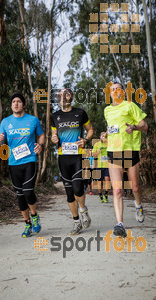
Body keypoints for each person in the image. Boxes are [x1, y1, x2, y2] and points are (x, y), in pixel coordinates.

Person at [102, 82, 148, 238]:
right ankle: (119, 224)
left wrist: (134, 127)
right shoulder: (107, 110)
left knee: (135, 187)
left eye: (117, 88)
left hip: (129, 150)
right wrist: (104, 135)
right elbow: (111, 128)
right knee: (117, 190)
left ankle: (139, 205)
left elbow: (145, 125)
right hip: (113, 151)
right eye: (112, 89)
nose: (115, 91)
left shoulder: (130, 105)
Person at [0, 92, 45, 238]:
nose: (16, 104)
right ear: (11, 105)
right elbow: (0, 142)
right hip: (13, 162)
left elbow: (41, 135)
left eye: (18, 101)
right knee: (20, 195)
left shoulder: (33, 120)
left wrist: (40, 145)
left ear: (23, 104)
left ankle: (35, 215)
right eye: (13, 102)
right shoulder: (5, 122)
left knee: (28, 191)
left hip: (29, 160)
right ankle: (27, 223)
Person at [51, 89, 94, 235]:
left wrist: (85, 140)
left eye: (67, 94)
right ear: (58, 98)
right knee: (69, 193)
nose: (64, 96)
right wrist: (54, 139)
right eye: (61, 95)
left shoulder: (80, 113)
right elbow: (53, 135)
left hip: (78, 156)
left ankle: (83, 210)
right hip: (63, 157)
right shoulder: (55, 116)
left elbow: (90, 130)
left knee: (77, 188)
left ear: (71, 97)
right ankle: (77, 222)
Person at [92, 133, 110, 203]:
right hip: (99, 166)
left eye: (104, 135)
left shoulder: (109, 143)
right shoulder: (97, 144)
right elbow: (93, 155)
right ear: (99, 137)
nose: (103, 136)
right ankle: (100, 195)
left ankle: (106, 194)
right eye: (101, 135)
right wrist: (98, 152)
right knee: (100, 182)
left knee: (107, 180)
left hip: (107, 165)